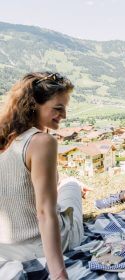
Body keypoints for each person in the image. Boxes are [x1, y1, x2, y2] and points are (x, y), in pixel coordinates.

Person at [0, 72, 85, 280]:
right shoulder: (42, 142)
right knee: (72, 184)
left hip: (7, 247)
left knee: (62, 184)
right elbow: (45, 212)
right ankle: (73, 185)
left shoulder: (6, 139)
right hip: (40, 246)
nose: (63, 115)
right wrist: (58, 274)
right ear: (33, 105)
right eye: (58, 108)